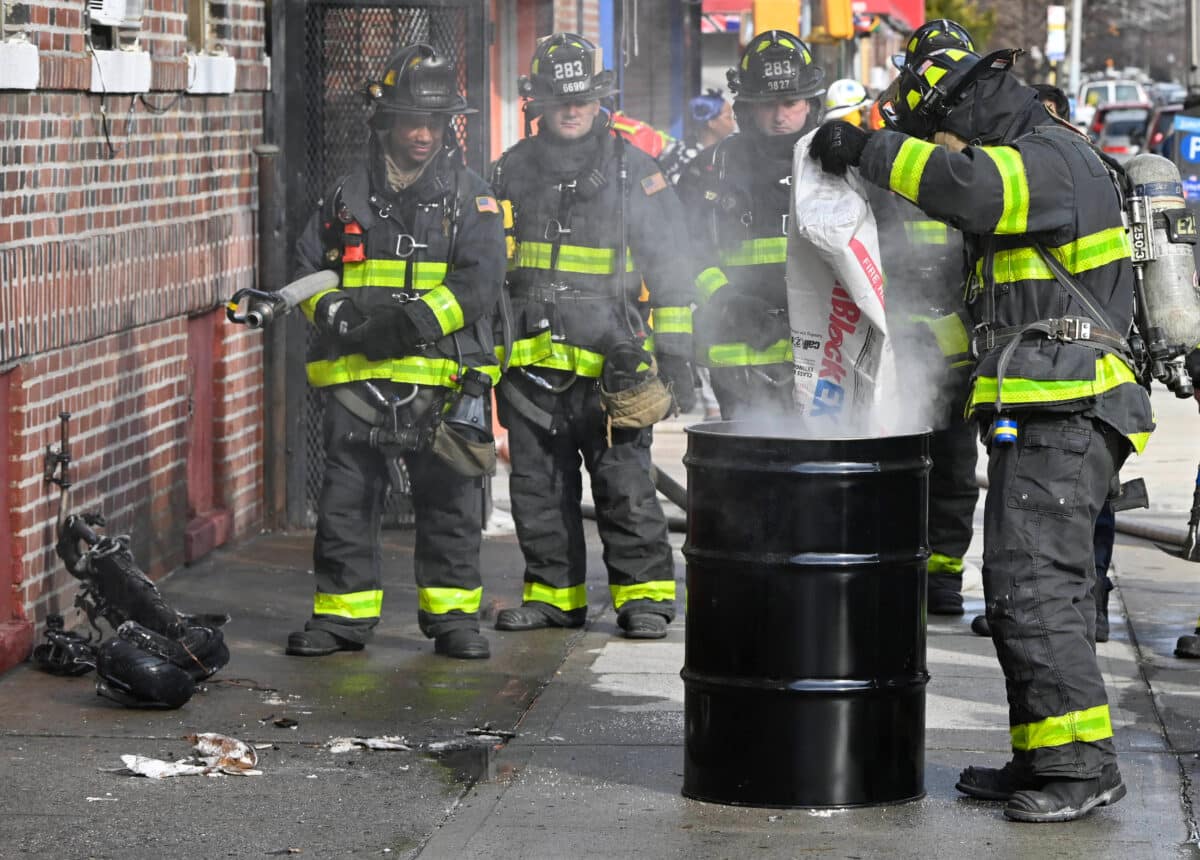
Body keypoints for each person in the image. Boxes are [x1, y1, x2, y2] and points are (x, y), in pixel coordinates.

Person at [811, 32, 1154, 822]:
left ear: (965, 106)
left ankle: (1079, 769)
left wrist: (869, 149)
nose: (942, 143)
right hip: (1041, 410)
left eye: (940, 127)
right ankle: (1044, 752)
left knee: (1038, 588)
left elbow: (966, 187)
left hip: (1068, 410)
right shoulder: (1037, 155)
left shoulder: (1048, 158)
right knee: (1016, 587)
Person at [286, 44, 505, 661]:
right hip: (356, 385)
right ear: (384, 121)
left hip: (443, 386)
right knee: (347, 504)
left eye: (434, 121)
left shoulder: (473, 198)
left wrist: (405, 325)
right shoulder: (344, 197)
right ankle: (342, 621)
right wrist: (334, 312)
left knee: (452, 504)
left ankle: (456, 621)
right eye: (411, 118)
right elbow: (307, 269)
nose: (422, 132)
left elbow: (481, 283)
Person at [489, 33, 696, 640]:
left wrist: (675, 353)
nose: (572, 110)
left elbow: (673, 267)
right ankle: (555, 598)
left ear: (600, 99)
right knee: (537, 489)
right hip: (530, 367)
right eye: (559, 100)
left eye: (580, 99)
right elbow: (488, 261)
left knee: (626, 487)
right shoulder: (511, 170)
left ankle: (646, 600)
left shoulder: (636, 170)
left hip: (613, 366)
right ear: (540, 104)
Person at [677, 30, 825, 418]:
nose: (780, 116)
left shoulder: (838, 164)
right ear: (746, 107)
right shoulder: (709, 171)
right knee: (751, 473)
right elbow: (683, 254)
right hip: (736, 358)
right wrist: (726, 302)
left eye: (790, 102)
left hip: (825, 358)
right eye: (767, 104)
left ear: (810, 102)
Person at [660, 88, 736, 185]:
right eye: (728, 117)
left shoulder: (725, 152)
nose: (733, 123)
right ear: (712, 123)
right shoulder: (680, 155)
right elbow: (650, 187)